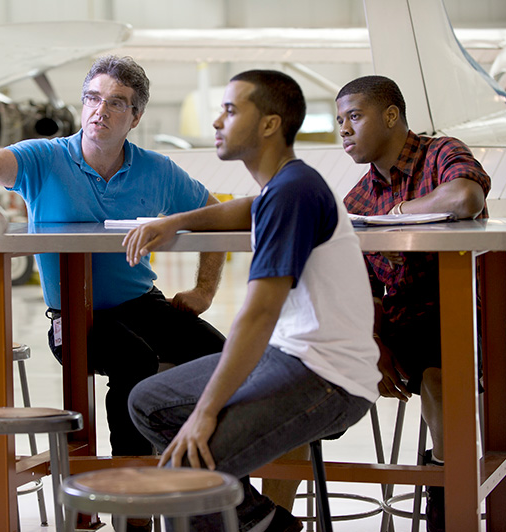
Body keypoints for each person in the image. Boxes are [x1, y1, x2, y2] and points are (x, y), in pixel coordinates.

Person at [0, 55, 226, 463]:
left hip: (143, 305)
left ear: (135, 117)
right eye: (92, 98)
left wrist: (204, 289)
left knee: (225, 358)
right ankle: (130, 491)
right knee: (134, 359)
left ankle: (204, 468)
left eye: (116, 103)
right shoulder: (44, 160)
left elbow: (215, 218)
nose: (100, 111)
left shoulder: (158, 171)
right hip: (73, 317)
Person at [124, 70, 381, 532]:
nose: (218, 122)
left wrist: (205, 414)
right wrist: (175, 222)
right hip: (289, 358)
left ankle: (248, 518)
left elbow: (259, 314)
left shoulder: (295, 192)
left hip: (328, 377)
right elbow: (245, 206)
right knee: (146, 401)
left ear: (268, 124)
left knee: (187, 472)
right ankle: (262, 521)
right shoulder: (283, 187)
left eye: (230, 110)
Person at [338, 75, 491, 532]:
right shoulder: (357, 198)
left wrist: (396, 215)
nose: (344, 129)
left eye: (355, 117)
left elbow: (465, 196)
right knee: (295, 363)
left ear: (391, 116)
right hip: (395, 330)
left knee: (440, 372)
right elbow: (361, 289)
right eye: (339, 121)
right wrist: (372, 342)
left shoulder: (441, 152)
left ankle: (446, 501)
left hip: (461, 316)